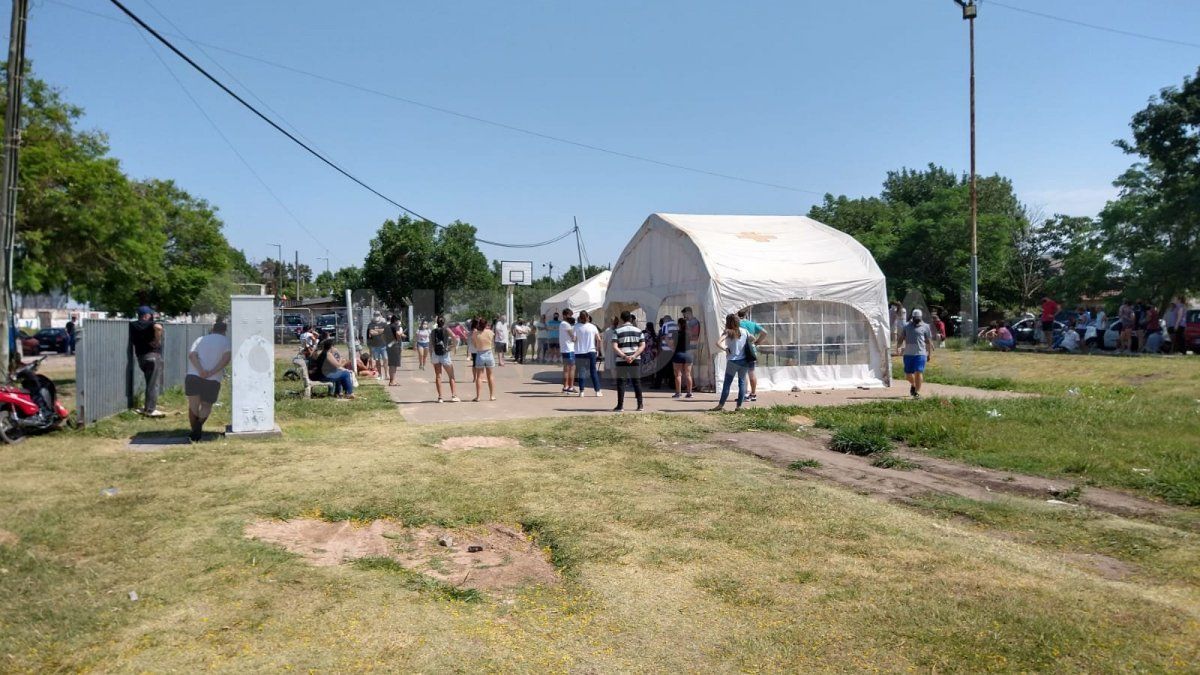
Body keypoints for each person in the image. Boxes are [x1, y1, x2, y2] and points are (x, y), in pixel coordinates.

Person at [184, 320, 231, 442]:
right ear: (225, 331)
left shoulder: (200, 339)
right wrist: (212, 372)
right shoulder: (225, 342)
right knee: (206, 405)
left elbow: (192, 355)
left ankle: (194, 431)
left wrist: (200, 370)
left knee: (193, 405)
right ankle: (198, 427)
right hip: (213, 379)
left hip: (194, 375)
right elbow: (226, 359)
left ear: (212, 329)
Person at [129, 306, 165, 417]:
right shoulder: (150, 324)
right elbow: (158, 327)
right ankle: (150, 410)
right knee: (153, 384)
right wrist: (157, 340)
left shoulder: (133, 325)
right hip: (153, 356)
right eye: (150, 314)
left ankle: (148, 406)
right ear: (146, 315)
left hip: (141, 357)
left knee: (150, 383)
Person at [712, 313, 751, 411]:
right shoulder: (744, 331)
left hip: (733, 361)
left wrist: (725, 349)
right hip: (744, 360)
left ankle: (721, 405)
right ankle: (739, 406)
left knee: (727, 384)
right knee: (742, 383)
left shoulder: (728, 332)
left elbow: (718, 343)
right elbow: (753, 339)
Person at [612, 311, 646, 412]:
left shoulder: (617, 331)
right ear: (631, 319)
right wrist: (634, 356)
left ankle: (620, 406)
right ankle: (640, 405)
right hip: (635, 359)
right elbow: (642, 345)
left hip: (621, 359)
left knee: (621, 382)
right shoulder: (639, 331)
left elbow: (614, 346)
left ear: (621, 319)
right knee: (637, 382)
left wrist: (624, 356)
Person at [897, 309, 934, 399]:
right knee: (908, 375)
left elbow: (928, 341)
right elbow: (901, 338)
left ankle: (917, 392)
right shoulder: (906, 326)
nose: (917, 320)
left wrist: (929, 354)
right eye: (915, 318)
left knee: (918, 372)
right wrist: (898, 347)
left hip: (920, 353)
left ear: (921, 317)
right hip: (908, 353)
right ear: (912, 317)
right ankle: (913, 385)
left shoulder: (926, 326)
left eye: (918, 318)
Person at [737, 309, 768, 402]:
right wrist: (757, 342)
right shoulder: (752, 324)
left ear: (737, 315)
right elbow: (765, 332)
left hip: (741, 351)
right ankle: (753, 394)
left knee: (743, 374)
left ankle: (744, 394)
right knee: (752, 372)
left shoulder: (737, 324)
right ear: (746, 315)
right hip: (752, 350)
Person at [430, 317, 461, 403]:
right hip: (445, 354)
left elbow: (431, 344)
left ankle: (440, 397)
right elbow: (454, 337)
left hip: (435, 354)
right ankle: (454, 395)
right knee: (451, 375)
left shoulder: (433, 331)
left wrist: (431, 356)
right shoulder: (447, 329)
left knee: (438, 376)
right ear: (444, 322)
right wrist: (453, 346)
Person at [573, 310, 602, 397]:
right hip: (591, 351)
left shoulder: (576, 327)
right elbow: (599, 339)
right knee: (593, 371)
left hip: (579, 352)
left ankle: (581, 391)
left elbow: (574, 339)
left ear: (580, 318)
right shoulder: (593, 327)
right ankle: (597, 391)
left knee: (581, 371)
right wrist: (598, 350)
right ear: (588, 317)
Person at [671, 312, 694, 399]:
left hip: (678, 354)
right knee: (688, 374)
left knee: (678, 375)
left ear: (679, 324)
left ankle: (678, 393)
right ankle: (689, 393)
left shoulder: (675, 333)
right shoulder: (689, 333)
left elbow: (673, 346)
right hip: (688, 354)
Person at [472, 319, 496, 401]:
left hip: (480, 354)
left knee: (479, 377)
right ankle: (492, 396)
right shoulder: (490, 332)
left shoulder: (475, 333)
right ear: (486, 325)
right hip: (489, 353)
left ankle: (478, 397)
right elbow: (492, 342)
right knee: (490, 376)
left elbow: (475, 345)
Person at [559, 309, 577, 393]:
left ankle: (565, 386)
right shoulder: (566, 324)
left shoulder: (562, 324)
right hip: (569, 349)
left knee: (566, 368)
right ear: (565, 315)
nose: (571, 317)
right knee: (572, 368)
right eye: (570, 315)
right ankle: (570, 387)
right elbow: (573, 338)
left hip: (565, 349)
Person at [366, 313, 389, 377]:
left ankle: (386, 374)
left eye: (378, 315)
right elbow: (371, 332)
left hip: (384, 345)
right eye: (375, 315)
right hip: (374, 346)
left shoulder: (384, 323)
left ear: (380, 316)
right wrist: (380, 331)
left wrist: (376, 331)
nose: (376, 316)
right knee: (377, 360)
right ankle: (380, 374)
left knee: (385, 359)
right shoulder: (370, 324)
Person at [385, 315, 405, 386]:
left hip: (389, 346)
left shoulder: (387, 326)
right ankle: (392, 381)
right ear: (396, 320)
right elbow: (397, 334)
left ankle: (392, 380)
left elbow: (383, 335)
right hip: (395, 346)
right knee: (394, 364)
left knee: (391, 364)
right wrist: (401, 336)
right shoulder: (396, 326)